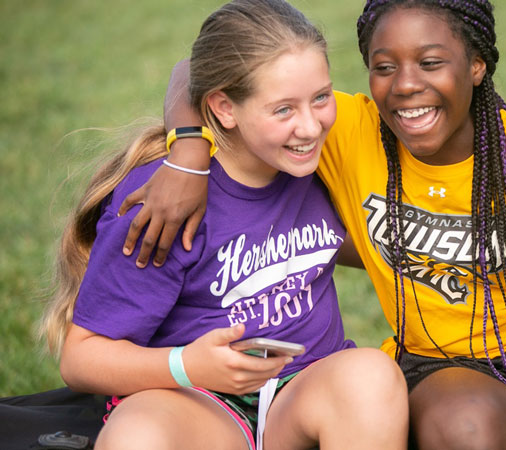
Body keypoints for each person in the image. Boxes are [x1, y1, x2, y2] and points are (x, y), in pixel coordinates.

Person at [120, 1, 506, 449]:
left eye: (431, 63)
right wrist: (189, 149)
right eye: (385, 67)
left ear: (477, 65)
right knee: (466, 427)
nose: (406, 85)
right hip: (442, 364)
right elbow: (192, 68)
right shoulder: (343, 130)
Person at [38, 1, 409, 449]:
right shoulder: (167, 203)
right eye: (283, 110)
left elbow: (370, 244)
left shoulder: (321, 164)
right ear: (224, 108)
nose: (311, 127)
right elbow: (81, 359)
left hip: (305, 390)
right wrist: (187, 366)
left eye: (321, 98)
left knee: (371, 375)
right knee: (137, 435)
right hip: (197, 400)